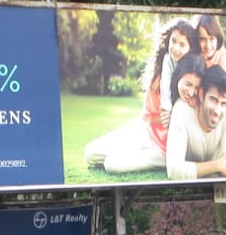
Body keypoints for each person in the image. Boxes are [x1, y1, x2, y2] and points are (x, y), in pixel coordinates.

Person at [84, 21, 199, 175]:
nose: (176, 48)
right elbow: (148, 118)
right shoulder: (160, 72)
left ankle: (154, 159)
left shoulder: (193, 77)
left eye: (182, 44)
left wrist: (175, 120)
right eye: (174, 41)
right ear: (168, 40)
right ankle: (134, 148)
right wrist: (164, 118)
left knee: (112, 164)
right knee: (90, 153)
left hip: (164, 148)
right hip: (148, 132)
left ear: (190, 49)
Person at [166, 65, 226, 180]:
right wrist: (217, 165)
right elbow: (173, 170)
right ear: (201, 95)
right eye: (213, 99)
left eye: (223, 103)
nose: (217, 110)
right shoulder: (181, 109)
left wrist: (221, 166)